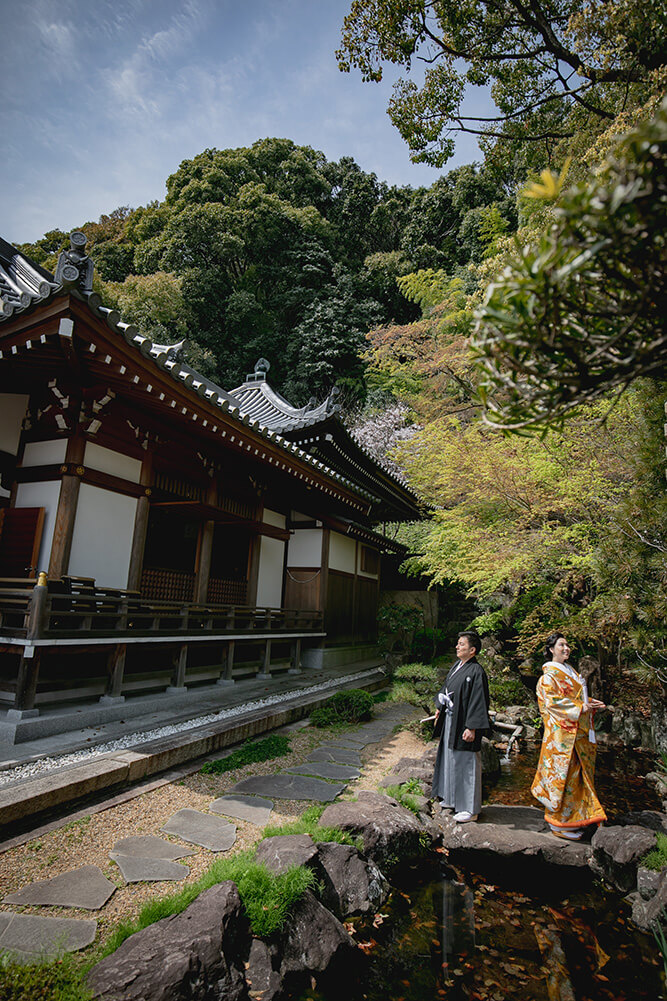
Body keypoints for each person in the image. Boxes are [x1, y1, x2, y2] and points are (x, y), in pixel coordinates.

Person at [531, 633, 607, 840]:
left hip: (575, 735)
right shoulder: (548, 677)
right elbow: (553, 703)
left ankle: (574, 819)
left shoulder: (569, 671)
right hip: (561, 737)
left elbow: (575, 699)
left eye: (567, 645)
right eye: (561, 645)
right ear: (551, 650)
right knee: (563, 781)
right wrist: (583, 706)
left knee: (576, 780)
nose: (566, 648)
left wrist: (591, 703)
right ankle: (559, 824)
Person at [432, 630, 490, 823]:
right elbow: (446, 688)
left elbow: (478, 701)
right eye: (458, 644)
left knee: (467, 762)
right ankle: (451, 798)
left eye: (462, 644)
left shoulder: (476, 671)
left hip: (464, 722)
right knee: (451, 758)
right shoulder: (457, 666)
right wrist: (440, 707)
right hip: (451, 719)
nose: (457, 647)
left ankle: (470, 809)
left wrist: (472, 727)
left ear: (472, 650)